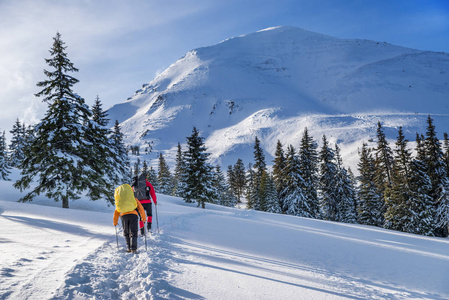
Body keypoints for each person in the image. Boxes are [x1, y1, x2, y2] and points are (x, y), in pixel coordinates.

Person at [113, 184, 146, 253]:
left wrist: (115, 222)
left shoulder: (121, 202)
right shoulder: (134, 199)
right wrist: (143, 218)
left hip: (124, 216)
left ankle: (128, 248)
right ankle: (133, 248)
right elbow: (141, 209)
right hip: (133, 215)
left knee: (126, 232)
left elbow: (116, 212)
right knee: (133, 232)